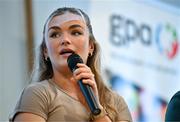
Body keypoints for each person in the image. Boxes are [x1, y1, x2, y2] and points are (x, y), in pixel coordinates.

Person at [9, 7, 132, 122]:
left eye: (76, 32)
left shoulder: (116, 102)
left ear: (91, 47)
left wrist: (97, 111)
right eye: (55, 34)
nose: (65, 40)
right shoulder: (37, 94)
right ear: (45, 51)